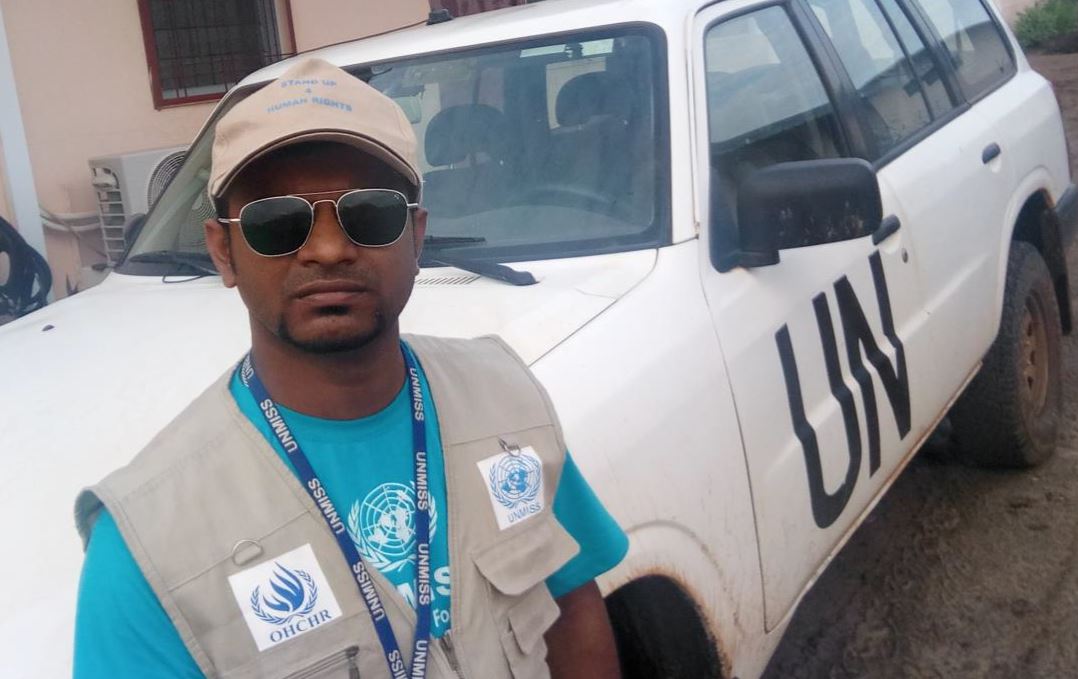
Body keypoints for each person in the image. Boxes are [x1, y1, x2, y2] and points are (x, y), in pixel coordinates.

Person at [73, 58, 627, 679]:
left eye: (370, 213)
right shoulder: (146, 547)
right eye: (277, 222)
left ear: (416, 237)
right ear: (223, 251)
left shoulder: (506, 400)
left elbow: (573, 609)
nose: (330, 249)